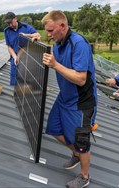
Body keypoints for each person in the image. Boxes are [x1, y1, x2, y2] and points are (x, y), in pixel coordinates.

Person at [40, 10, 97, 188]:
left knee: (82, 142)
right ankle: (76, 154)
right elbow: (56, 58)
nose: (48, 35)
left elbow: (81, 79)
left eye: (50, 31)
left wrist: (55, 65)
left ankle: (84, 176)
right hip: (64, 97)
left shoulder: (78, 44)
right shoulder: (58, 42)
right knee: (54, 129)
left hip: (81, 102)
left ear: (62, 26)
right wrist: (37, 40)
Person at [3, 12, 41, 86]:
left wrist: (27, 35)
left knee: (26, 82)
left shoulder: (26, 27)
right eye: (8, 24)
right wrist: (15, 57)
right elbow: (9, 46)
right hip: (15, 60)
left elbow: (38, 35)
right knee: (14, 82)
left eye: (11, 22)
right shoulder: (6, 31)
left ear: (16, 19)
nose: (10, 25)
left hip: (27, 59)